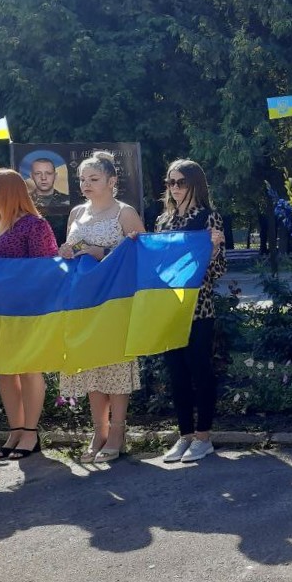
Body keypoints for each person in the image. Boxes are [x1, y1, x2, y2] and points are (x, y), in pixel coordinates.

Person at [58, 152, 146, 464]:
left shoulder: (125, 213)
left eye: (93, 178)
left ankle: (118, 433)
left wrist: (104, 252)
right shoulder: (76, 212)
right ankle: (99, 431)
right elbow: (70, 250)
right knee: (90, 364)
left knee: (115, 364)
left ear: (111, 181)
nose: (86, 184)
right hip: (82, 304)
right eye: (82, 179)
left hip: (114, 303)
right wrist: (66, 251)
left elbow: (143, 255)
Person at [0, 168, 58, 460]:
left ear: (9, 191)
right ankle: (15, 431)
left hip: (27, 311)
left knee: (29, 368)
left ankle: (30, 433)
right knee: (5, 370)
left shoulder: (34, 225)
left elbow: (46, 268)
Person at [156, 160, 227, 464]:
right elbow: (157, 264)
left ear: (195, 184)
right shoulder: (162, 221)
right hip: (168, 307)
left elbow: (218, 270)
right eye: (170, 182)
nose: (174, 187)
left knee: (200, 368)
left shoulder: (208, 217)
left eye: (180, 182)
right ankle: (184, 434)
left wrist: (214, 249)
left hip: (199, 306)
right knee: (176, 372)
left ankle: (203, 436)